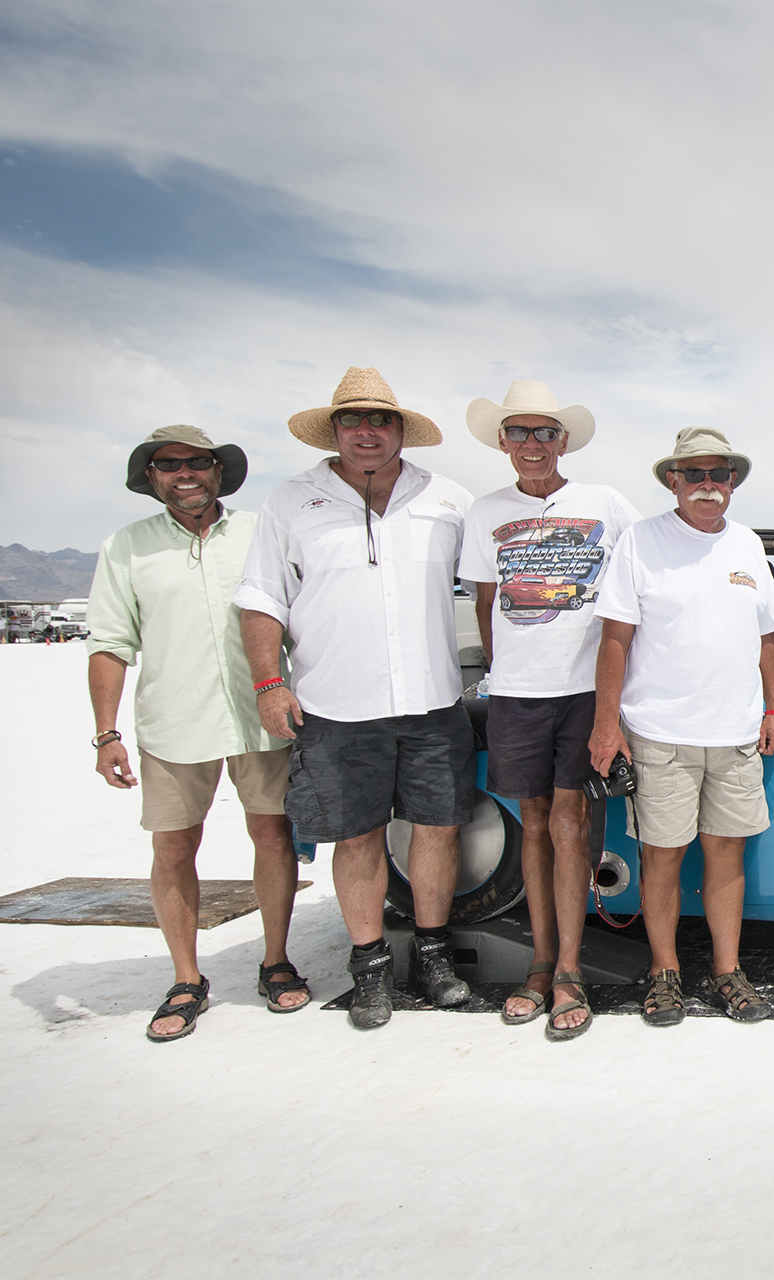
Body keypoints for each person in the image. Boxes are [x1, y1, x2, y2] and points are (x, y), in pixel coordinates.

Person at [234, 367, 476, 1031]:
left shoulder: (448, 499)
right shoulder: (290, 502)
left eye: (381, 421)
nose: (367, 432)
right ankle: (369, 968)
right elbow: (260, 599)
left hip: (431, 700)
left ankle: (432, 957)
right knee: (358, 836)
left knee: (438, 830)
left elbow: (490, 589)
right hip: (336, 707)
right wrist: (268, 681)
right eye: (352, 422)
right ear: (334, 431)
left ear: (401, 431)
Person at [87, 425, 305, 1042]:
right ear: (151, 477)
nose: (185, 474)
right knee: (174, 847)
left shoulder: (262, 532)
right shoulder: (125, 548)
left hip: (261, 712)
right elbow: (109, 644)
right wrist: (106, 734)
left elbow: (301, 619)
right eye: (168, 464)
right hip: (173, 721)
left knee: (272, 832)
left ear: (218, 471)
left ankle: (276, 959)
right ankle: (187, 979)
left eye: (198, 462)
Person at [588, 427, 774, 1026]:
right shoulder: (640, 542)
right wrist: (606, 725)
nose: (707, 485)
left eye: (718, 474)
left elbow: (767, 637)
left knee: (727, 859)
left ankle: (726, 972)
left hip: (734, 736)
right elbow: (615, 639)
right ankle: (664, 972)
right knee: (663, 859)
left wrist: (773, 709)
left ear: (732, 483)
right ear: (672, 480)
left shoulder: (748, 545)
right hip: (660, 735)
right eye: (694, 474)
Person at [460, 381, 641, 1041]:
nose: (532, 446)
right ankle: (538, 964)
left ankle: (568, 971)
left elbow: (629, 602)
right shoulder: (484, 513)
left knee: (570, 824)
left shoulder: (607, 504)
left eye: (545, 433)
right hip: (516, 693)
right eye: (519, 433)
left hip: (585, 691)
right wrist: (505, 666)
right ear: (502, 442)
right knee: (532, 824)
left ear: (563, 442)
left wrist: (616, 703)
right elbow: (486, 603)